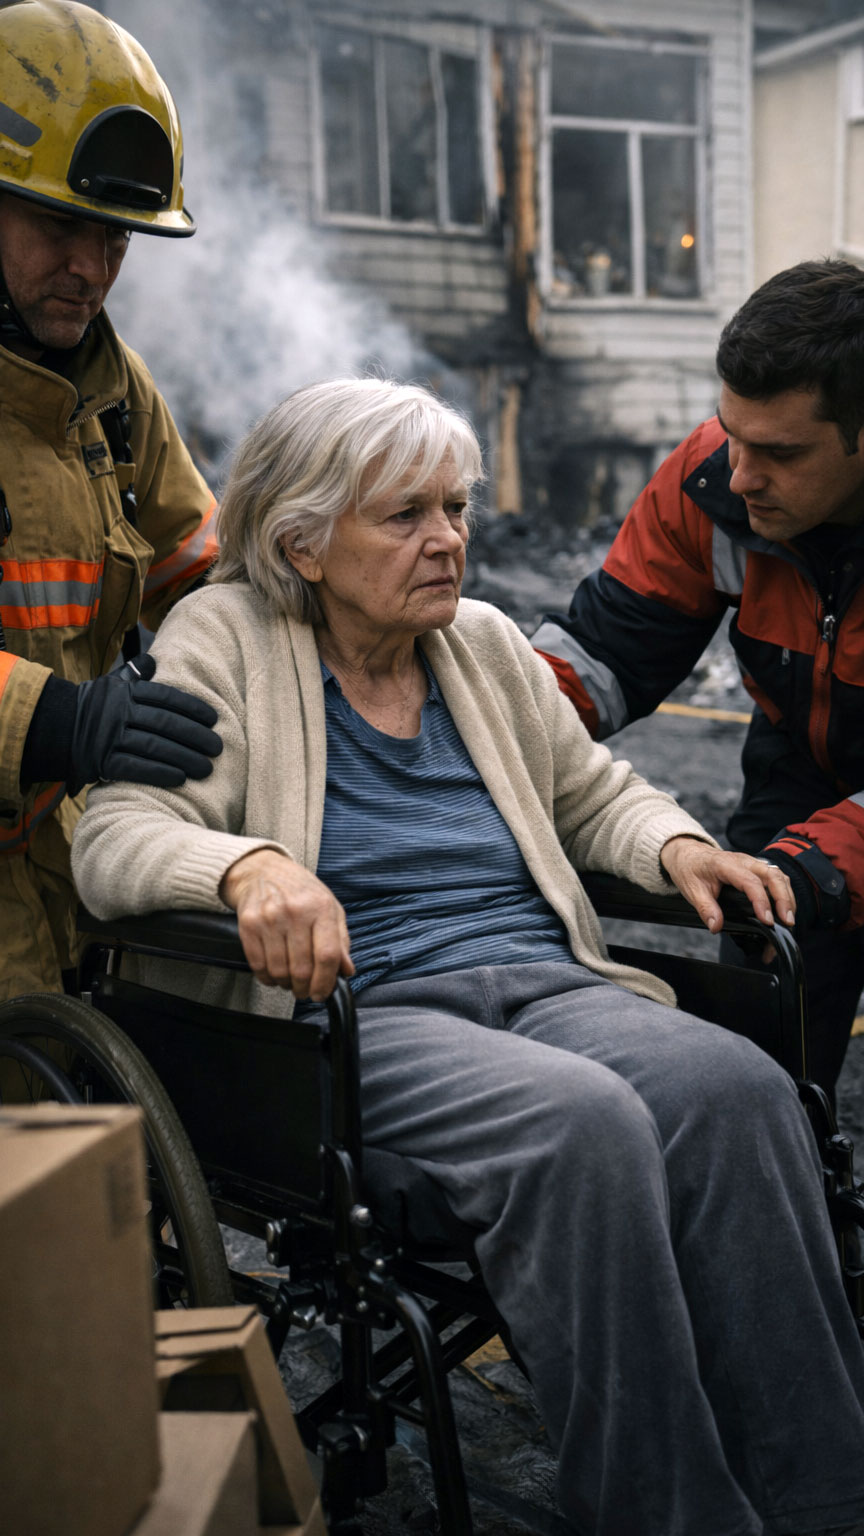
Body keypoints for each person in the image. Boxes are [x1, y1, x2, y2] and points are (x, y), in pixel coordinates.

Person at [73, 377, 864, 1536]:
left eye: (455, 509)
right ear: (302, 539)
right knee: (581, 1129)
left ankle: (827, 1495)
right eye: (406, 516)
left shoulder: (482, 644)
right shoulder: (224, 639)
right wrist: (244, 869)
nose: (448, 541)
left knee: (738, 1090)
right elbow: (116, 837)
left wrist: (679, 842)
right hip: (363, 1012)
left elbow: (594, 793)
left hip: (545, 979)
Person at [532, 258, 864, 1097]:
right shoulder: (715, 474)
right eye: (732, 433)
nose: (742, 475)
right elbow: (604, 652)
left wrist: (818, 871)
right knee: (761, 1058)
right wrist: (466, 728)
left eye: (779, 452)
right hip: (798, 763)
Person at [0, 0, 223, 999]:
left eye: (117, 239)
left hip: (69, 880)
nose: (92, 269)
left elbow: (206, 575)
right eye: (60, 225)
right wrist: (54, 722)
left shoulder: (109, 389)